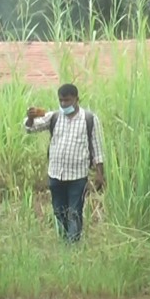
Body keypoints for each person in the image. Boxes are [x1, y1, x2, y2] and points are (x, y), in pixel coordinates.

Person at [24, 83, 106, 242]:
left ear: (76, 99)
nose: (63, 104)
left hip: (77, 175)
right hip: (56, 173)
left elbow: (97, 147)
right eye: (61, 100)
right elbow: (30, 129)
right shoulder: (54, 116)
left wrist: (99, 174)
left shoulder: (89, 119)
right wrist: (30, 118)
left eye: (67, 101)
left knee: (74, 211)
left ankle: (72, 245)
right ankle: (67, 238)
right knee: (58, 211)